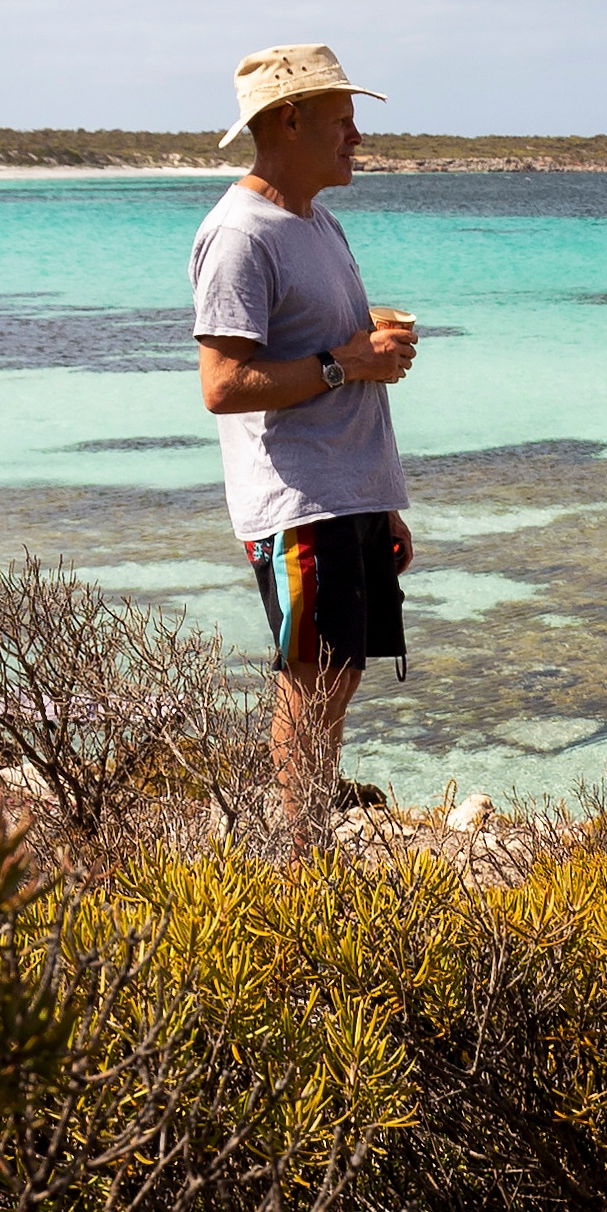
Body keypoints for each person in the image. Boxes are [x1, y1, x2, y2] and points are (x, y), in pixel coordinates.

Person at [191, 43, 420, 854]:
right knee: (311, 679)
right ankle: (297, 861)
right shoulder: (238, 235)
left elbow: (328, 351)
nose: (357, 139)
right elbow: (222, 384)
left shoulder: (317, 222)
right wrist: (346, 362)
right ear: (290, 121)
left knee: (341, 673)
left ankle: (308, 837)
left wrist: (383, 496)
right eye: (343, 122)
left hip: (348, 491)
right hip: (295, 500)